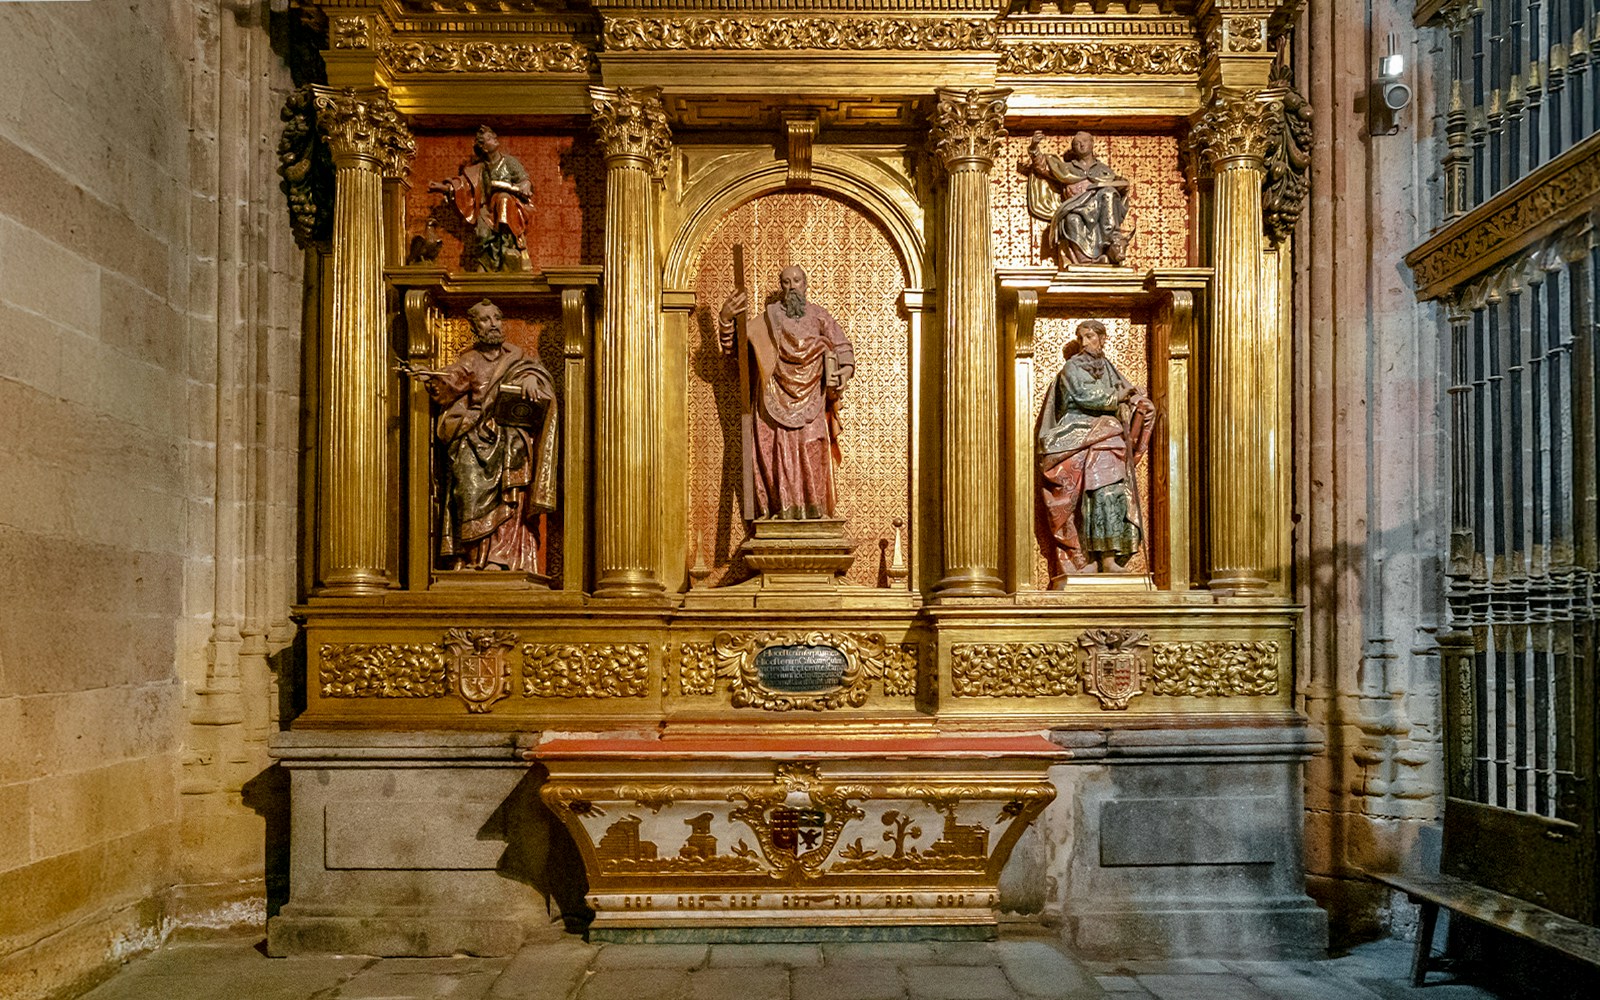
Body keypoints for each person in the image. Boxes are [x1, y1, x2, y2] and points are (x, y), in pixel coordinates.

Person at [401, 299, 558, 572]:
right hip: (474, 437)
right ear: (476, 327)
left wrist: (532, 379)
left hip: (509, 437)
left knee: (514, 465)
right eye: (486, 320)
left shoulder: (518, 359)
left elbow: (536, 376)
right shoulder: (470, 360)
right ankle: (473, 557)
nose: (494, 324)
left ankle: (502, 557)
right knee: (467, 482)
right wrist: (429, 376)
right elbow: (449, 380)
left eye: (497, 318)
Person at [717, 265, 855, 520]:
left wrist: (843, 372)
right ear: (782, 287)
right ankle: (782, 512)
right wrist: (726, 320)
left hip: (812, 399)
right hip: (772, 399)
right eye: (786, 282)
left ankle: (814, 512)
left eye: (797, 280)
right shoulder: (768, 318)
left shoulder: (819, 316)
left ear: (806, 284)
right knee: (777, 455)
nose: (792, 286)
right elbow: (739, 350)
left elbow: (844, 348)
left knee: (812, 452)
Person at [1037, 320, 1156, 579]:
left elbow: (1128, 391)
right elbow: (1087, 396)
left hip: (1107, 438)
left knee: (1109, 492)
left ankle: (1110, 556)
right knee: (1088, 494)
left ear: (1102, 339)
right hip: (1075, 434)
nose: (1084, 342)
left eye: (1090, 336)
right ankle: (1084, 557)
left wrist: (1138, 401)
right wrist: (1120, 398)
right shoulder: (1072, 367)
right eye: (1081, 337)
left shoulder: (1109, 368)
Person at [428, 125, 534, 271]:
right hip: (487, 209)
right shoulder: (479, 169)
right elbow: (463, 186)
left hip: (511, 208)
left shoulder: (509, 162)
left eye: (493, 136)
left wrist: (525, 185)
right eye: (489, 138)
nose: (495, 139)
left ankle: (507, 248)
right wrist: (442, 188)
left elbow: (524, 179)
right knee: (482, 234)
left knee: (503, 198)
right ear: (484, 148)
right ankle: (486, 266)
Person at [1024, 131, 1131, 266]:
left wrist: (1122, 186)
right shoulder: (1066, 168)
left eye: (1084, 141)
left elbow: (1117, 187)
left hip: (1100, 211)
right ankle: (1086, 261)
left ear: (1092, 144)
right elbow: (1043, 166)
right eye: (1076, 143)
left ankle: (1110, 247)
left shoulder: (1104, 171)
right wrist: (1034, 148)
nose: (1081, 145)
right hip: (1075, 207)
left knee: (1109, 193)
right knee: (1071, 219)